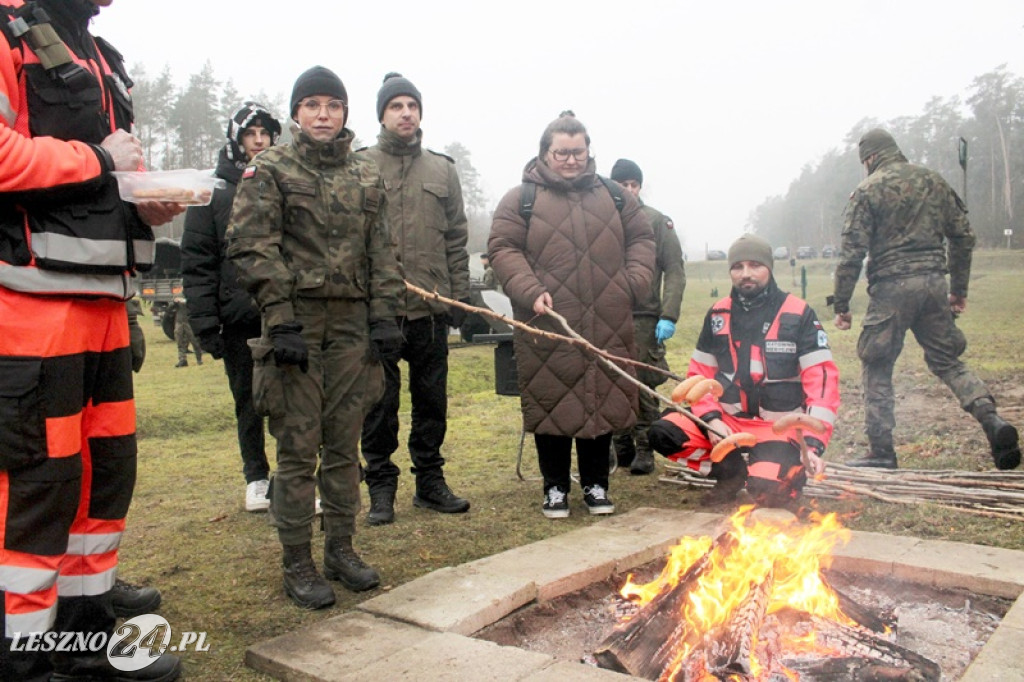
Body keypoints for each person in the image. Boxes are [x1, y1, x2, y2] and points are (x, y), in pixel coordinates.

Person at [0, 0, 183, 679]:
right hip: (26, 302)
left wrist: (147, 196)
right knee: (38, 488)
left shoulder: (98, 53)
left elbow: (112, 176)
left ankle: (82, 637)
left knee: (104, 478)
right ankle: (21, 657)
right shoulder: (6, 33)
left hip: (106, 302)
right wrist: (98, 159)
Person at [226, 65, 404, 610]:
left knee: (345, 445)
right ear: (296, 113)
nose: (323, 115)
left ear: (346, 112)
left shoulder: (366, 174)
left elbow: (382, 250)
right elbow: (253, 244)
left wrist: (385, 316)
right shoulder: (270, 168)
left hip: (353, 326)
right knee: (298, 448)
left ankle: (341, 548)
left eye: (333, 105)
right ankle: (297, 559)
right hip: (296, 326)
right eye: (312, 105)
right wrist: (280, 318)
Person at [488, 112, 655, 519]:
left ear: (588, 150)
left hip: (606, 319)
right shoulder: (520, 199)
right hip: (548, 321)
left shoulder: (615, 196)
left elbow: (642, 238)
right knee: (552, 402)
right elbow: (503, 248)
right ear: (546, 152)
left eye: (578, 151)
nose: (570, 159)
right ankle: (555, 487)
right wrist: (529, 290)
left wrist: (633, 283)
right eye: (562, 152)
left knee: (600, 399)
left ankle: (597, 484)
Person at [833, 128, 1020, 470]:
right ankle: (991, 420)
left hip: (891, 289)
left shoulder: (867, 191)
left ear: (869, 158)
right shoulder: (934, 181)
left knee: (877, 364)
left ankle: (881, 451)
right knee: (948, 361)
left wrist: (842, 305)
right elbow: (963, 237)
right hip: (934, 284)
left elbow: (851, 253)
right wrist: (958, 290)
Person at [647, 234, 838, 507]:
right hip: (728, 422)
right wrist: (712, 420)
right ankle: (730, 475)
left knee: (769, 491)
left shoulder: (798, 314)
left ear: (769, 268)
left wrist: (813, 445)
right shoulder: (718, 314)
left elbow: (822, 384)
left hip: (778, 429)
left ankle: (772, 476)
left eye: (755, 265)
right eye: (738, 267)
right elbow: (699, 377)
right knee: (664, 432)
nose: (746, 273)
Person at [359, 72, 471, 526]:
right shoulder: (360, 166)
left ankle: (430, 482)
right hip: (380, 310)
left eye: (412, 106)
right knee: (378, 405)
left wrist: (458, 298)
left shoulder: (442, 170)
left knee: (431, 403)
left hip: (431, 309)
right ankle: (381, 486)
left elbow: (457, 238)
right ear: (382, 115)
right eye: (396, 106)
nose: (405, 113)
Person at [182, 102, 281, 512]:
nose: (258, 141)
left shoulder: (286, 181)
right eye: (250, 133)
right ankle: (256, 478)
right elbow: (198, 261)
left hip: (284, 314)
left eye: (265, 133)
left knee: (293, 399)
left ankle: (293, 476)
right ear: (236, 139)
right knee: (248, 401)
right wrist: (205, 322)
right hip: (238, 316)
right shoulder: (212, 191)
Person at [608, 158, 686, 475]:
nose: (629, 190)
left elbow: (675, 270)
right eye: (622, 184)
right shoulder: (601, 221)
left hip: (644, 317)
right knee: (611, 380)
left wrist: (668, 314)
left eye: (634, 184)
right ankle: (620, 444)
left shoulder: (656, 221)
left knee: (642, 382)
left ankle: (645, 447)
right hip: (608, 315)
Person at [171, 296, 202, 367]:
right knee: (180, 342)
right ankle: (182, 360)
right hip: (179, 322)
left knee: (195, 342)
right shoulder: (179, 296)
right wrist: (174, 301)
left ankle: (199, 359)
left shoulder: (192, 295)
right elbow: (170, 308)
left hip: (190, 322)